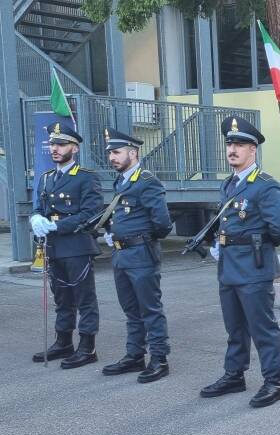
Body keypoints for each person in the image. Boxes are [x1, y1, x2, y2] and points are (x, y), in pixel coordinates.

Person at [199, 116, 280, 408]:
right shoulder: (228, 184)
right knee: (234, 326)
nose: (232, 149)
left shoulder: (265, 185)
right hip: (228, 265)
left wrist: (254, 246)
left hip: (253, 266)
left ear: (253, 150)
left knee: (262, 327)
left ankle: (273, 381)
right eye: (229, 144)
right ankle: (234, 374)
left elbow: (279, 230)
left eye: (239, 144)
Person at [98, 128, 173, 383]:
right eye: (110, 153)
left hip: (141, 253)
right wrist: (113, 232)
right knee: (131, 309)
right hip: (121, 255)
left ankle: (159, 358)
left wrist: (140, 238)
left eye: (116, 152)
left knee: (150, 308)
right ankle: (135, 355)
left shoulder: (147, 181)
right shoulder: (121, 181)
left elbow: (162, 223)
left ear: (133, 152)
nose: (112, 158)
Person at [30, 120, 103, 369]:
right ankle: (63, 341)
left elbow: (90, 214)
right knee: (61, 298)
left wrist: (57, 226)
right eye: (52, 144)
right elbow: (39, 207)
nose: (55, 149)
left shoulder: (85, 178)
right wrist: (36, 218)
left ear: (75, 148)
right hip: (53, 248)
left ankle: (87, 346)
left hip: (77, 246)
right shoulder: (47, 178)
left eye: (61, 144)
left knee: (84, 299)